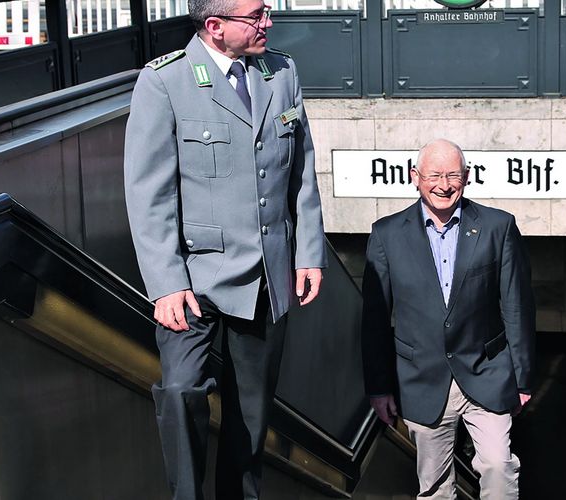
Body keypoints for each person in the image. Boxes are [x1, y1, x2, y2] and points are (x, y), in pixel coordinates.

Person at [123, 0, 326, 498]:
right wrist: (166, 283)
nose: (268, 23)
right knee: (180, 392)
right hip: (193, 277)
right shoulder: (164, 82)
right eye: (256, 16)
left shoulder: (282, 73)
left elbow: (302, 171)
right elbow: (148, 193)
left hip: (264, 276)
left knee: (250, 413)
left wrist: (308, 253)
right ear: (214, 27)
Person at [361, 139, 535, 499]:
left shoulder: (497, 227)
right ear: (415, 177)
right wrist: (379, 387)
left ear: (467, 177)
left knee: (498, 467)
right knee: (435, 487)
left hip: (487, 372)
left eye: (453, 175)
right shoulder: (386, 235)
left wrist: (524, 375)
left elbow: (517, 306)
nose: (444, 184)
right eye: (435, 175)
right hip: (420, 379)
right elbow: (375, 321)